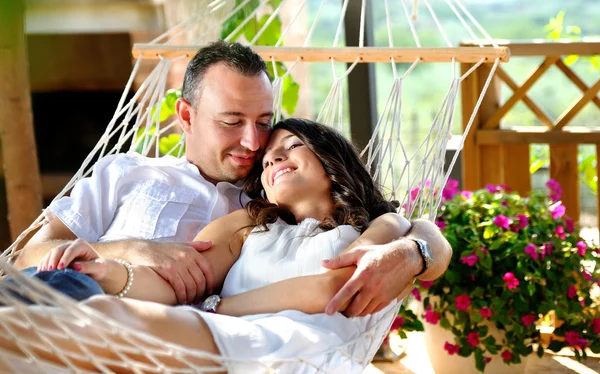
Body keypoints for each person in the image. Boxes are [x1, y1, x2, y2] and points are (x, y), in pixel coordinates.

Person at [13, 40, 451, 316]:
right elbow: (25, 255)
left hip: (150, 337)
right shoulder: (125, 172)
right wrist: (132, 248)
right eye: (231, 120)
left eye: (263, 121)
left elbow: (406, 224)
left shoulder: (270, 207)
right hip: (66, 299)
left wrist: (414, 250)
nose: (252, 141)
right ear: (186, 115)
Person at [0, 119, 449, 373]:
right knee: (86, 308)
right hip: (225, 333)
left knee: (99, 321)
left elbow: (330, 289)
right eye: (269, 158)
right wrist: (106, 269)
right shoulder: (247, 226)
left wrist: (219, 307)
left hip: (298, 346)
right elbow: (174, 283)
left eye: (292, 147)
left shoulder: (384, 224)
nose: (274, 158)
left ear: (332, 161)